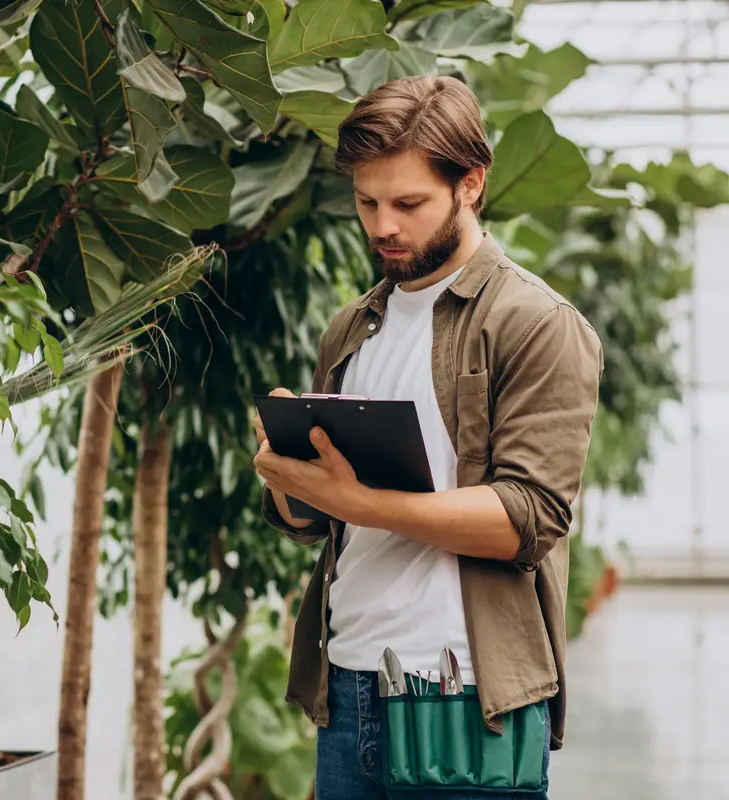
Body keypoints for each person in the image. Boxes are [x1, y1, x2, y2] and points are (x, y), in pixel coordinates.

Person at [251, 75, 603, 799]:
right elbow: (320, 524)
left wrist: (359, 500)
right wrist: (286, 475)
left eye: (408, 203)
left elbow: (527, 519)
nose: (383, 225)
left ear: (471, 184)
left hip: (468, 700)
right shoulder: (351, 330)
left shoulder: (535, 322)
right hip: (347, 688)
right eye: (367, 202)